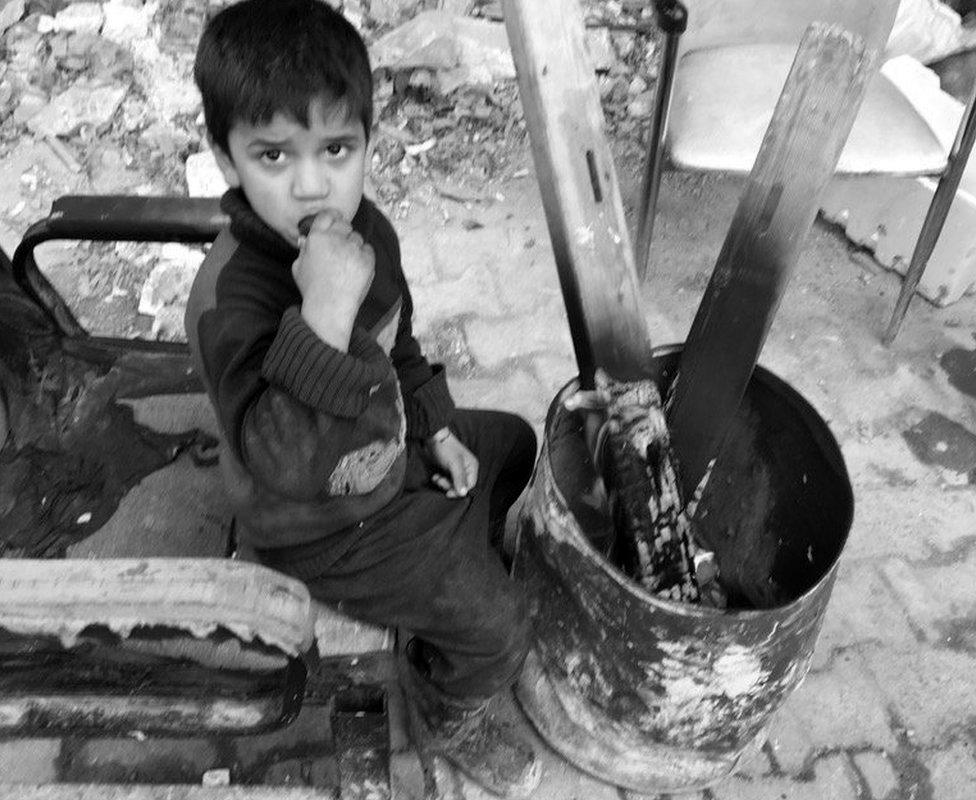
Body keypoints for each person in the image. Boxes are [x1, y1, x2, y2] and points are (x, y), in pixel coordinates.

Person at [187, 0, 541, 796]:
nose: (313, 186)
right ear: (224, 158)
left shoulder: (363, 232)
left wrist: (436, 423)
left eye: (337, 149)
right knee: (502, 629)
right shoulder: (230, 304)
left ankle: (444, 565)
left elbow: (400, 342)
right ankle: (445, 711)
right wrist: (322, 315)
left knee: (511, 444)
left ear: (367, 145)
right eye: (273, 155)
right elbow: (283, 462)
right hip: (324, 528)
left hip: (388, 455)